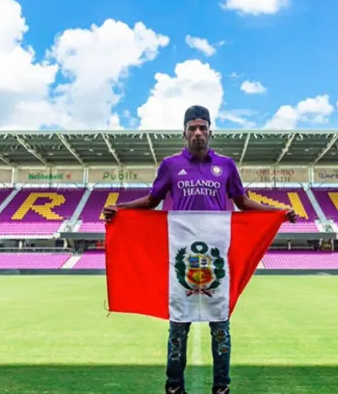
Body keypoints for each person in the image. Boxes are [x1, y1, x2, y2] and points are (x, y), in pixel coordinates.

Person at [103, 105, 296, 394]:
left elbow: (243, 203)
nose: (197, 133)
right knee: (178, 327)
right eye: (192, 129)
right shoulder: (170, 165)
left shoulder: (226, 166)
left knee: (220, 327)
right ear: (184, 133)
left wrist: (278, 212)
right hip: (182, 257)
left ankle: (221, 387)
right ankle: (173, 387)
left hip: (216, 257)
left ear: (210, 132)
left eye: (202, 128)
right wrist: (119, 209)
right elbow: (152, 201)